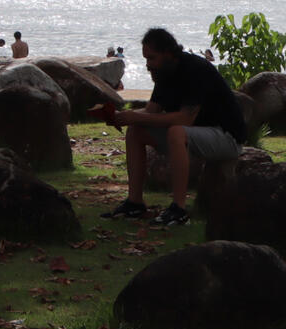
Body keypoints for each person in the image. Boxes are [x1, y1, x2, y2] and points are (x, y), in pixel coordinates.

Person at [101, 26, 246, 227]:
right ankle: (135, 202)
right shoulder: (164, 73)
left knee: (177, 132)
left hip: (226, 138)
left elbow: (185, 119)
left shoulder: (195, 69)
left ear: (168, 54)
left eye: (151, 58)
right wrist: (122, 117)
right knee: (135, 131)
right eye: (146, 59)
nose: (148, 65)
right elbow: (151, 111)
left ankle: (179, 208)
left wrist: (134, 116)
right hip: (195, 134)